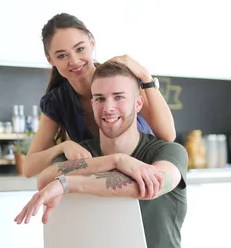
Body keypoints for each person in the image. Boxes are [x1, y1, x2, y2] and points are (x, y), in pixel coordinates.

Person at [0, 61, 191, 248]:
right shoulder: (80, 153)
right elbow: (46, 178)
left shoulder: (168, 152)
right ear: (92, 103)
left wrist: (68, 183)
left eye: (119, 97)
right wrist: (116, 160)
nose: (108, 107)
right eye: (99, 98)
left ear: (138, 103)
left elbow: (152, 184)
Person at [22, 13, 176, 178]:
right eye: (62, 55)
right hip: (99, 191)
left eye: (80, 49)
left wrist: (145, 76)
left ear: (92, 44)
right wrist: (64, 146)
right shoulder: (57, 101)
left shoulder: (119, 78)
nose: (74, 61)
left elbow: (168, 135)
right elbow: (29, 168)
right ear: (50, 60)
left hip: (145, 176)